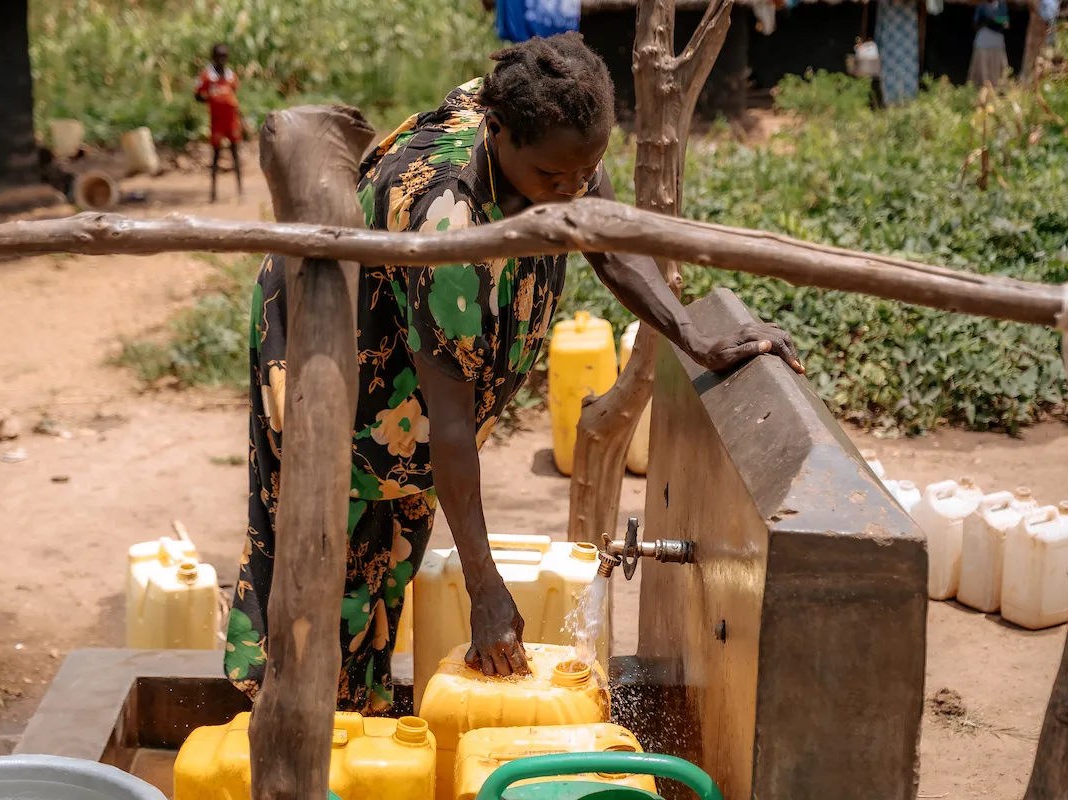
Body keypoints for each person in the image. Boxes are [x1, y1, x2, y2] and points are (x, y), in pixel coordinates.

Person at [225, 33, 804, 713]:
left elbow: (607, 239)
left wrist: (694, 334)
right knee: (319, 562)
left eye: (584, 173)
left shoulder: (556, 132)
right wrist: (485, 588)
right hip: (340, 373)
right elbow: (448, 424)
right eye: (552, 181)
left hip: (415, 400)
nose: (569, 193)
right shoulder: (450, 223)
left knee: (390, 561)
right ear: (496, 134)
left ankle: (363, 714)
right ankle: (283, 729)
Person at [194, 44, 243, 202]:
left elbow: (234, 94)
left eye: (225, 56)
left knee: (236, 155)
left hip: (232, 121)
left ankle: (240, 191)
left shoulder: (231, 76)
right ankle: (213, 193)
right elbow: (197, 95)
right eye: (219, 56)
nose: (222, 60)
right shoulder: (207, 77)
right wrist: (211, 97)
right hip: (217, 122)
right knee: (215, 157)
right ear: (213, 58)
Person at [970, 0, 1010, 88]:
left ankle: (998, 90)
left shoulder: (1001, 5)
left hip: (997, 42)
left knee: (999, 68)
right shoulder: (982, 6)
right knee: (984, 69)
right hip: (984, 42)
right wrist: (995, 20)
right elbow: (976, 22)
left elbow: (1005, 21)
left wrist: (995, 19)